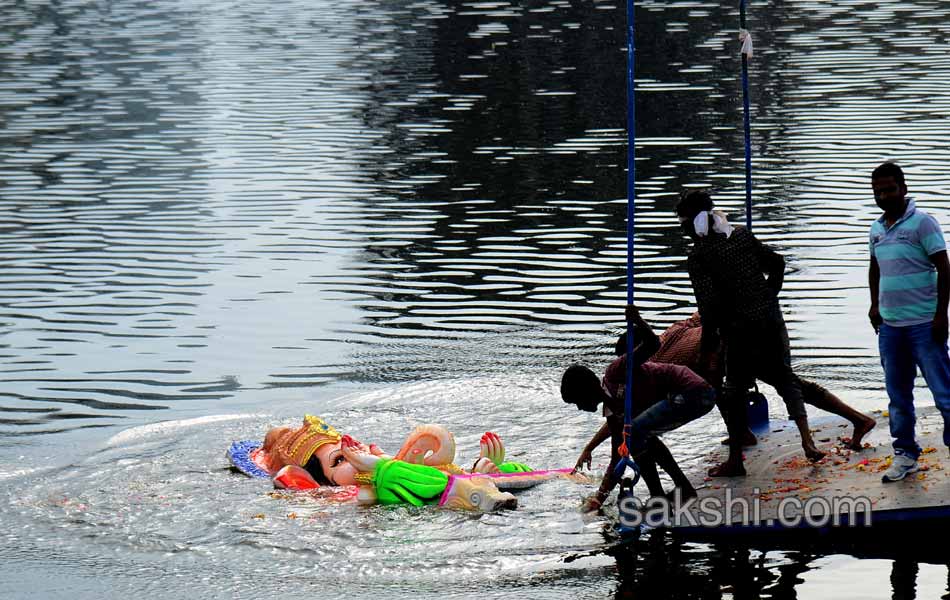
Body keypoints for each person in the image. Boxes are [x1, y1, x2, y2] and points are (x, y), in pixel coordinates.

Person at [676, 190, 825, 477]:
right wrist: (770, 295)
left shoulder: (699, 256)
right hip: (769, 319)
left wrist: (708, 350)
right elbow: (778, 263)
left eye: (682, 223)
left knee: (732, 391)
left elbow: (709, 310)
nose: (682, 229)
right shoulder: (741, 236)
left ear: (689, 224)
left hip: (739, 330)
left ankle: (735, 461)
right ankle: (807, 441)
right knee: (785, 378)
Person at [615, 312, 876, 450]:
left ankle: (743, 437)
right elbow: (703, 315)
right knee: (791, 383)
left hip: (733, 345)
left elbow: (710, 381)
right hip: (741, 329)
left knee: (775, 386)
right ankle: (857, 419)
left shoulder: (661, 362)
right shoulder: (670, 333)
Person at [562, 306, 716, 511]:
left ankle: (660, 497)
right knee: (636, 438)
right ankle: (674, 492)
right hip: (686, 399)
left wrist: (637, 320)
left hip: (694, 391)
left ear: (586, 390)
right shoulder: (613, 412)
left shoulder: (615, 372)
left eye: (577, 402)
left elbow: (653, 343)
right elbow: (617, 459)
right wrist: (599, 499)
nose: (580, 408)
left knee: (634, 434)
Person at [868, 161, 950, 482]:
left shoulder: (922, 224)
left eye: (889, 189)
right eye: (878, 192)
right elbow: (874, 267)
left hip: (924, 325)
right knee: (898, 395)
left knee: (944, 392)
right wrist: (874, 305)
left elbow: (944, 269)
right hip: (890, 328)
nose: (884, 196)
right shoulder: (876, 229)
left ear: (903, 188)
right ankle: (905, 454)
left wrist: (940, 314)